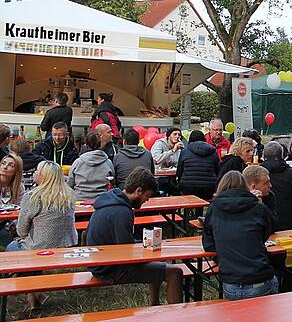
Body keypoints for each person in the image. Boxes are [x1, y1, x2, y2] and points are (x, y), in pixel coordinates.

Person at [85, 167, 183, 305]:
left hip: (99, 263)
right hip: (108, 270)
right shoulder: (122, 212)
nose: (146, 201)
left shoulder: (111, 199)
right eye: (147, 196)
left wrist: (144, 244)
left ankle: (154, 306)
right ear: (138, 191)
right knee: (175, 272)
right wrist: (148, 248)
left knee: (159, 266)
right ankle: (177, 316)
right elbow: (127, 252)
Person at [6, 161, 77, 310]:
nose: (34, 173)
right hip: (66, 245)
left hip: (41, 248)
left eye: (37, 171)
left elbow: (22, 230)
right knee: (30, 250)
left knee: (12, 248)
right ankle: (36, 294)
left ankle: (34, 294)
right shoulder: (69, 195)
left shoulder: (33, 197)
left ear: (44, 177)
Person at [203, 170, 277, 299]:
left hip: (231, 282)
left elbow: (208, 245)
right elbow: (268, 231)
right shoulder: (258, 208)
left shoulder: (214, 209)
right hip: (259, 278)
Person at [68, 131, 115, 201]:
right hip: (101, 202)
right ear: (100, 144)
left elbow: (70, 184)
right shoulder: (108, 163)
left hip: (79, 201)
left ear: (86, 145)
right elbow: (112, 182)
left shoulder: (77, 162)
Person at [176, 130, 220, 200]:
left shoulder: (185, 151)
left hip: (188, 187)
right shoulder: (212, 151)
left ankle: (188, 210)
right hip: (209, 188)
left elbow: (179, 171)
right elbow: (217, 170)